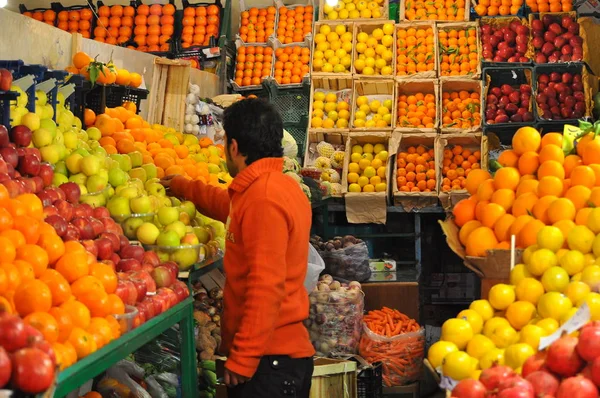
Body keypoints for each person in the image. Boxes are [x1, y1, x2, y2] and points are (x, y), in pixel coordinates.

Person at [161, 99, 315, 397]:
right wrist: (183, 186)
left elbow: (266, 286)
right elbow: (230, 207)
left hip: (270, 363)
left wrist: (244, 357)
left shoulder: (263, 199)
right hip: (272, 357)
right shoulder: (273, 187)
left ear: (233, 147)